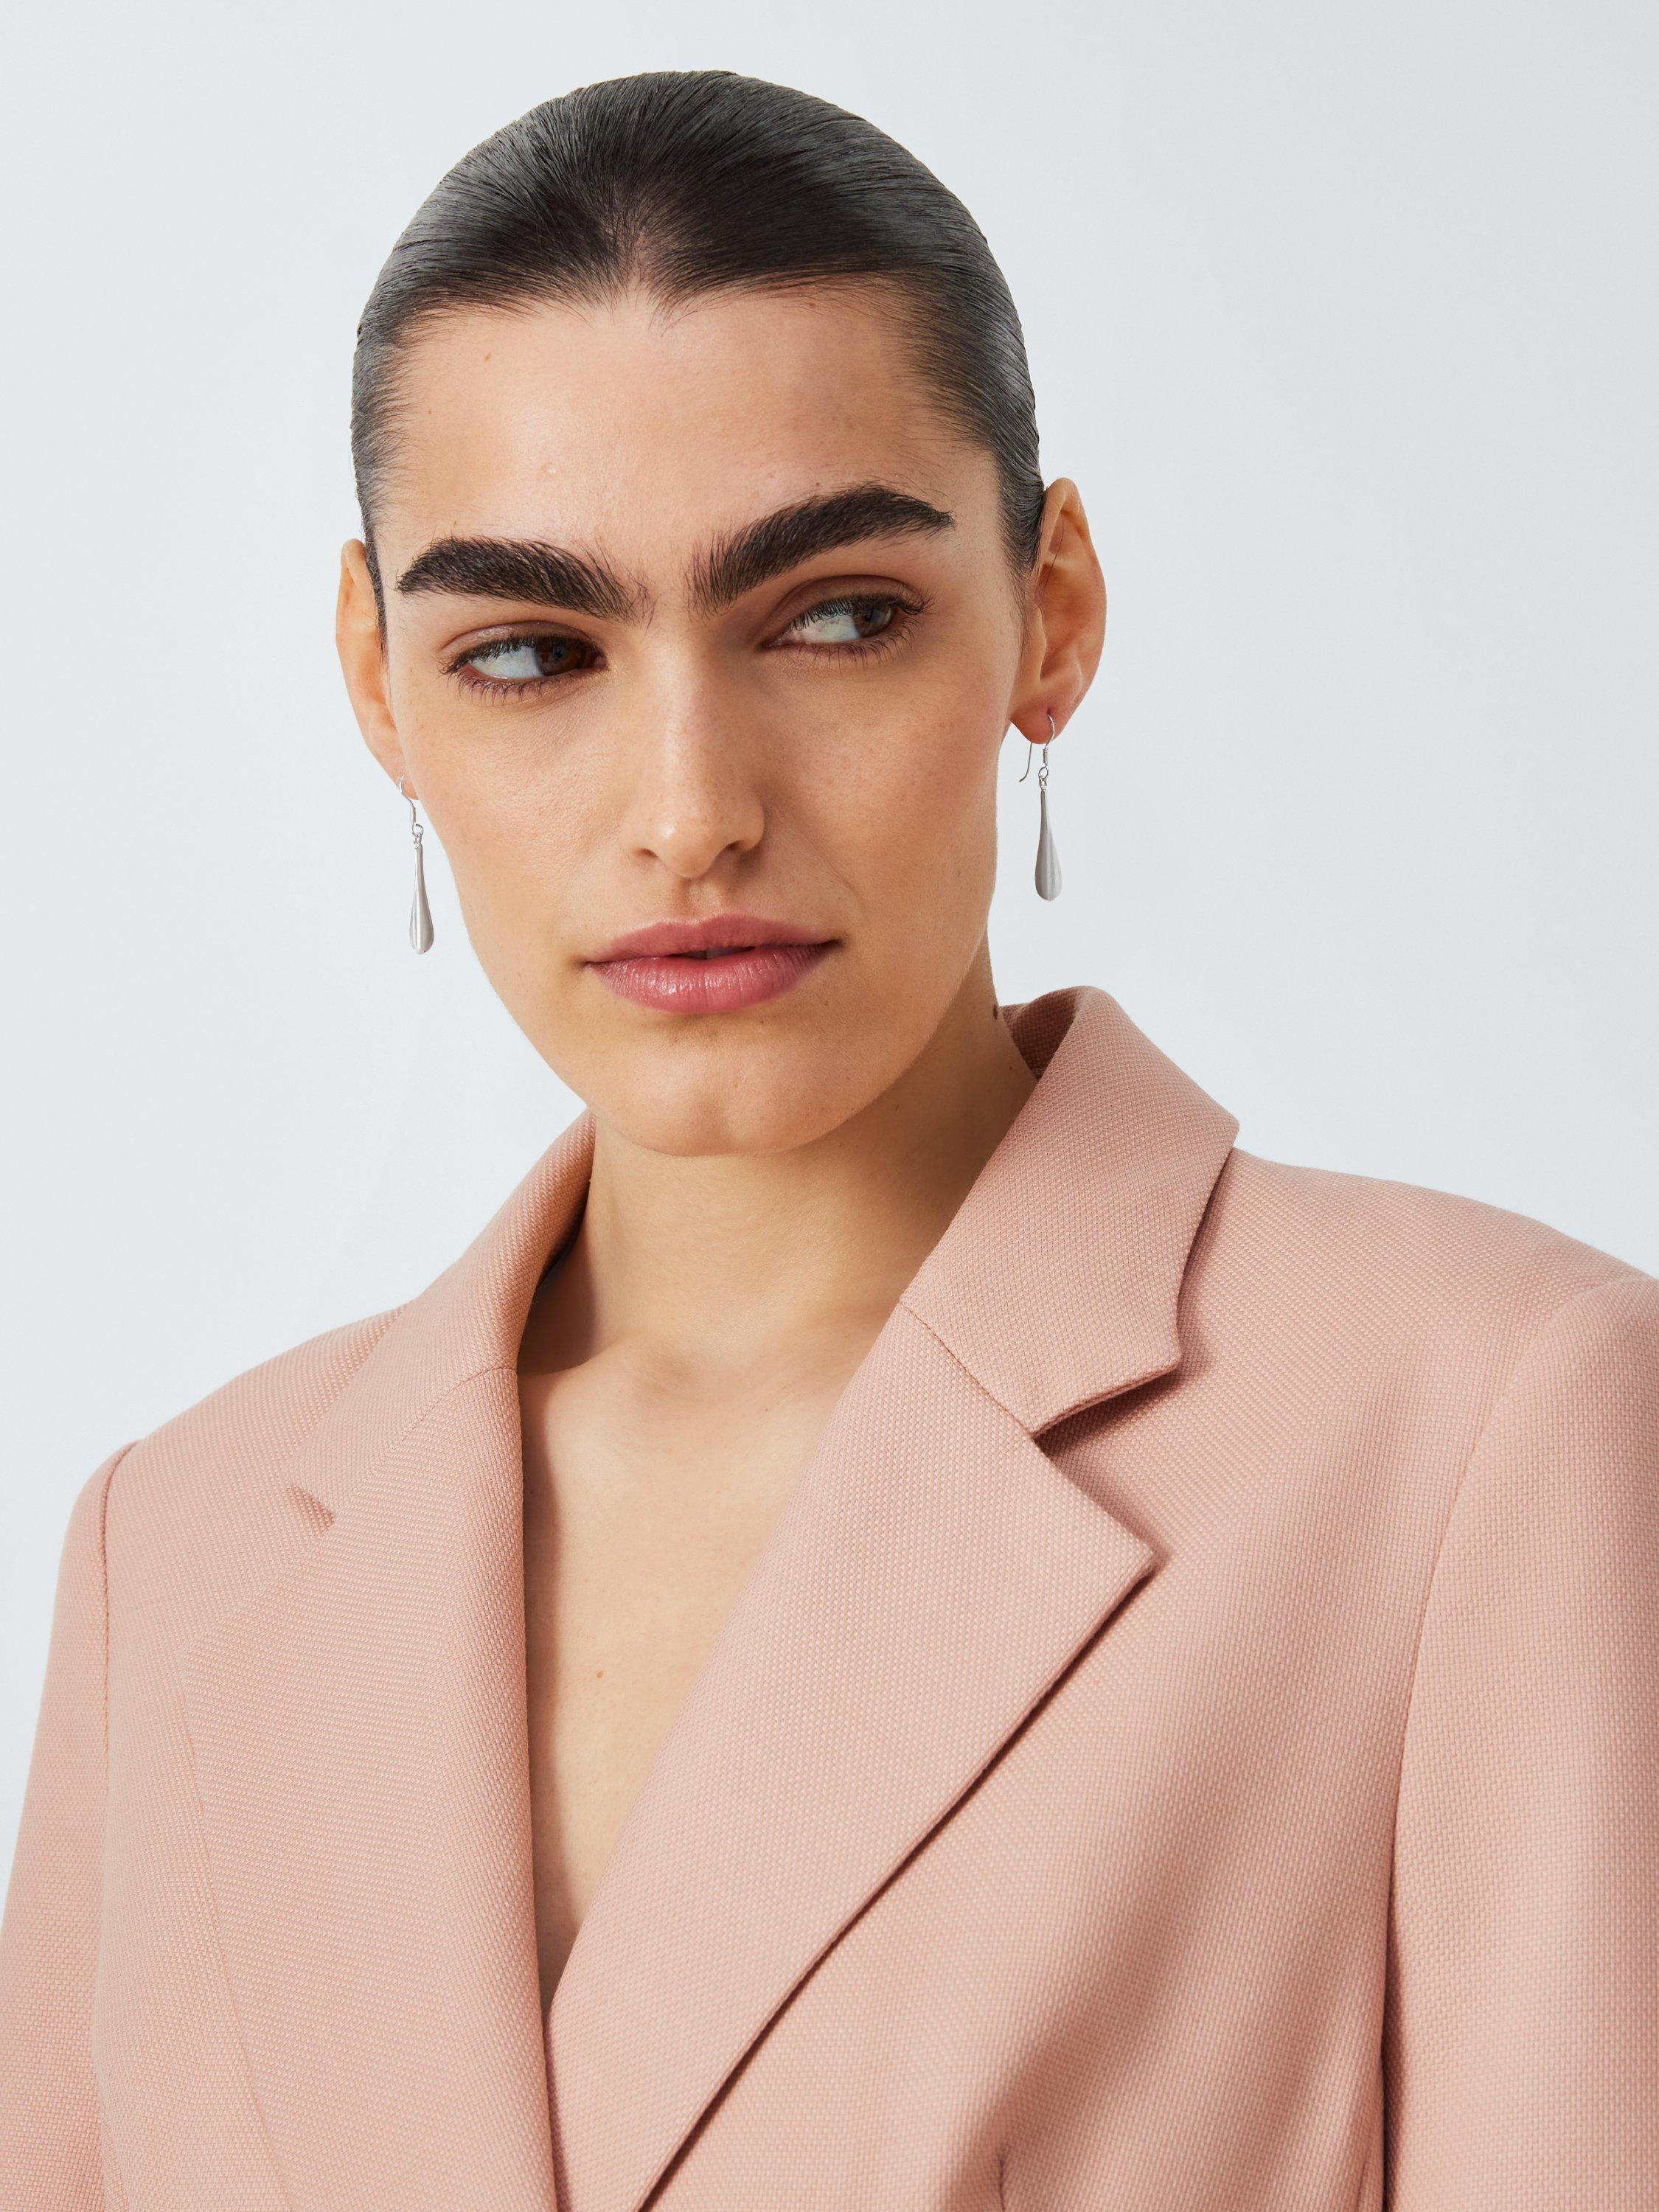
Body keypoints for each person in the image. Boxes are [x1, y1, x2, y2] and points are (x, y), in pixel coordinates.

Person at [1, 67, 1654, 2212]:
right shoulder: (181, 1549)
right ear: (378, 681)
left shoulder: (1486, 1424)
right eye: (531, 652)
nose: (690, 809)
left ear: (1051, 611)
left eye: (836, 616)